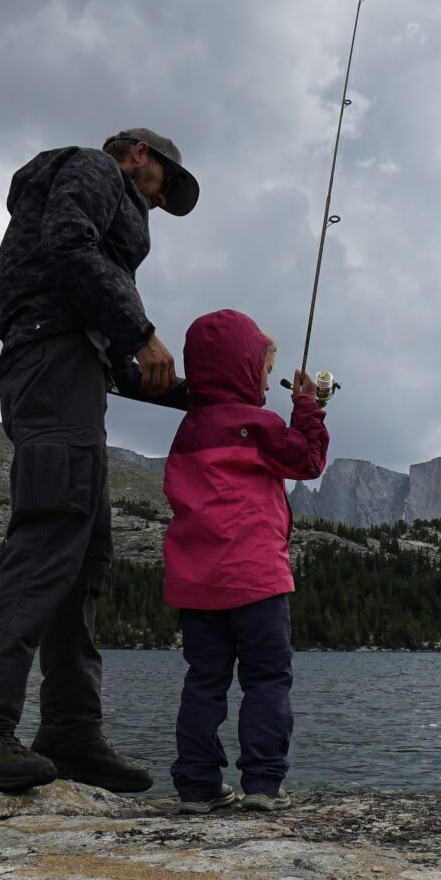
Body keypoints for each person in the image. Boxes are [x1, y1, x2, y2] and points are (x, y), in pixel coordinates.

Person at [0, 129, 198, 794]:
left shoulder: (94, 262)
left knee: (83, 554)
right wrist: (141, 332)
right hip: (52, 363)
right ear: (136, 151)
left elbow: (117, 358)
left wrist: (198, 396)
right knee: (52, 533)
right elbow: (68, 245)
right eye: (165, 181)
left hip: (72, 366)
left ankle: (71, 732)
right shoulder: (91, 169)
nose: (162, 199)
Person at [160, 309, 330, 814]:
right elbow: (307, 460)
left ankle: (196, 788)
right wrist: (307, 406)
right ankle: (262, 784)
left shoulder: (187, 431)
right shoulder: (258, 425)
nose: (263, 377)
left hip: (197, 586)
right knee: (267, 680)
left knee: (203, 682)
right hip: (257, 580)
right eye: (262, 367)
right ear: (243, 369)